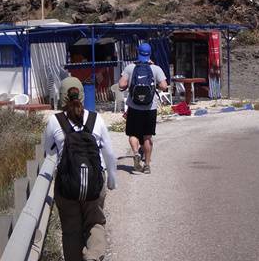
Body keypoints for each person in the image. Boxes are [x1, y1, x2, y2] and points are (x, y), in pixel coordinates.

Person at [45, 77, 117, 261]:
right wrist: (111, 179)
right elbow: (109, 153)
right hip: (94, 183)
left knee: (71, 231)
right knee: (95, 224)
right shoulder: (96, 119)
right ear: (82, 96)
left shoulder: (54, 121)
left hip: (67, 185)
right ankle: (93, 256)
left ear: (61, 97)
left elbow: (48, 152)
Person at [118, 42, 168, 174]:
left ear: (138, 53)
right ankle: (146, 165)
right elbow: (164, 86)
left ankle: (136, 153)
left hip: (134, 107)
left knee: (133, 134)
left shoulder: (130, 67)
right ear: (150, 54)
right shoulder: (156, 69)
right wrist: (154, 86)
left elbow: (121, 84)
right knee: (147, 137)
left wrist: (128, 85)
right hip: (150, 107)